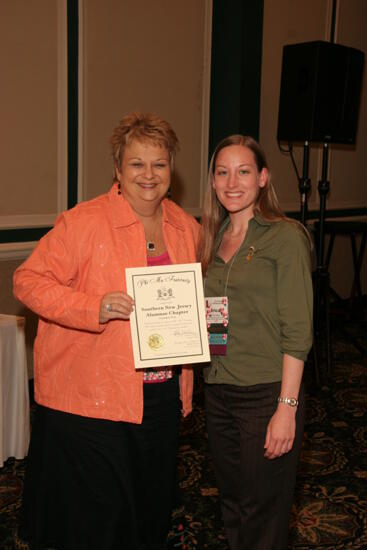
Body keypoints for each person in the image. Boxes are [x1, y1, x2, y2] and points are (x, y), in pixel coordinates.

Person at [13, 112, 200, 550]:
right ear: (118, 168)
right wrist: (91, 306)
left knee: (149, 510)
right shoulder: (83, 223)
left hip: (160, 395)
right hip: (92, 400)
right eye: (137, 164)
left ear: (172, 168)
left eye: (159, 163)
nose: (148, 175)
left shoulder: (185, 227)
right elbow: (26, 281)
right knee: (99, 522)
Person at [200, 135, 313, 550]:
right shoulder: (210, 241)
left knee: (264, 513)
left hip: (267, 394)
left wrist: (287, 408)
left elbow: (298, 331)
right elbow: (211, 320)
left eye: (244, 171)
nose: (233, 182)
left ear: (263, 178)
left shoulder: (285, 237)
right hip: (219, 392)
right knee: (233, 505)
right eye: (222, 172)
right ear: (212, 181)